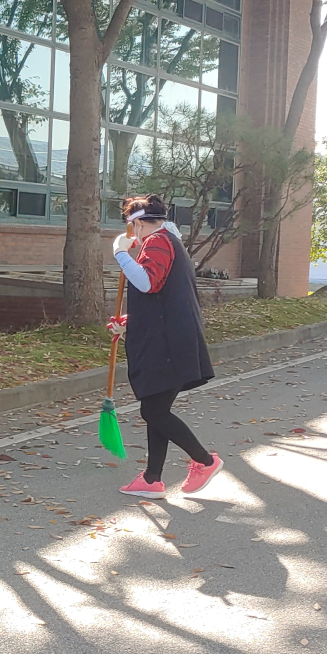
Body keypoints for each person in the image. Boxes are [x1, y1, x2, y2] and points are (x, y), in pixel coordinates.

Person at [107, 194, 223, 498]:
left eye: (131, 226)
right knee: (155, 408)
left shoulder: (158, 242)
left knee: (155, 411)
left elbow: (147, 283)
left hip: (167, 343)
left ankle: (205, 461)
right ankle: (152, 479)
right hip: (172, 337)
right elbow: (163, 298)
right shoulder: (170, 242)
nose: (131, 234)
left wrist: (120, 254)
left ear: (139, 223)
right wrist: (130, 321)